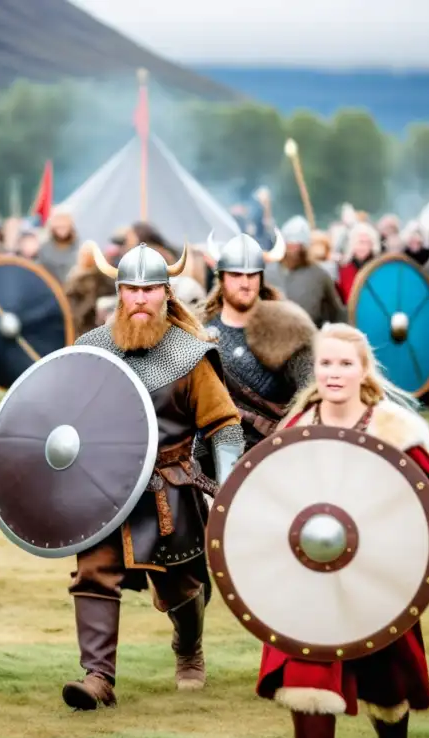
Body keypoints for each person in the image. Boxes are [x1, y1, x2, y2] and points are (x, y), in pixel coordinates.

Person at [256, 323, 429, 738]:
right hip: (307, 574)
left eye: (345, 364)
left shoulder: (395, 432)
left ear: (364, 370)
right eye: (326, 363)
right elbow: (268, 499)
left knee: (387, 678)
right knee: (306, 668)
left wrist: (387, 540)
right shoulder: (296, 429)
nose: (334, 373)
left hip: (374, 575)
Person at [64, 240, 244, 710]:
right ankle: (98, 676)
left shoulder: (190, 355)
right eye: (131, 289)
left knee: (182, 587)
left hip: (170, 488)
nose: (140, 298)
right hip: (105, 488)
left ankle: (189, 649)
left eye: (150, 289)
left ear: (167, 293)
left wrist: (227, 490)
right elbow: (66, 417)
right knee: (93, 574)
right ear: (119, 293)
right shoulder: (91, 349)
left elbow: (223, 426)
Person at [201, 230, 315, 451]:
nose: (245, 283)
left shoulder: (287, 327)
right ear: (221, 277)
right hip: (216, 453)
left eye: (252, 274)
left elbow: (311, 390)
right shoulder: (200, 332)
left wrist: (288, 432)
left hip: (276, 449)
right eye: (236, 275)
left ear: (261, 278)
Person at [263, 216, 346, 326]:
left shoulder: (319, 275)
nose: (294, 249)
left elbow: (337, 314)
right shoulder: (267, 273)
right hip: (273, 336)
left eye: (298, 245)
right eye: (290, 244)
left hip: (310, 336)